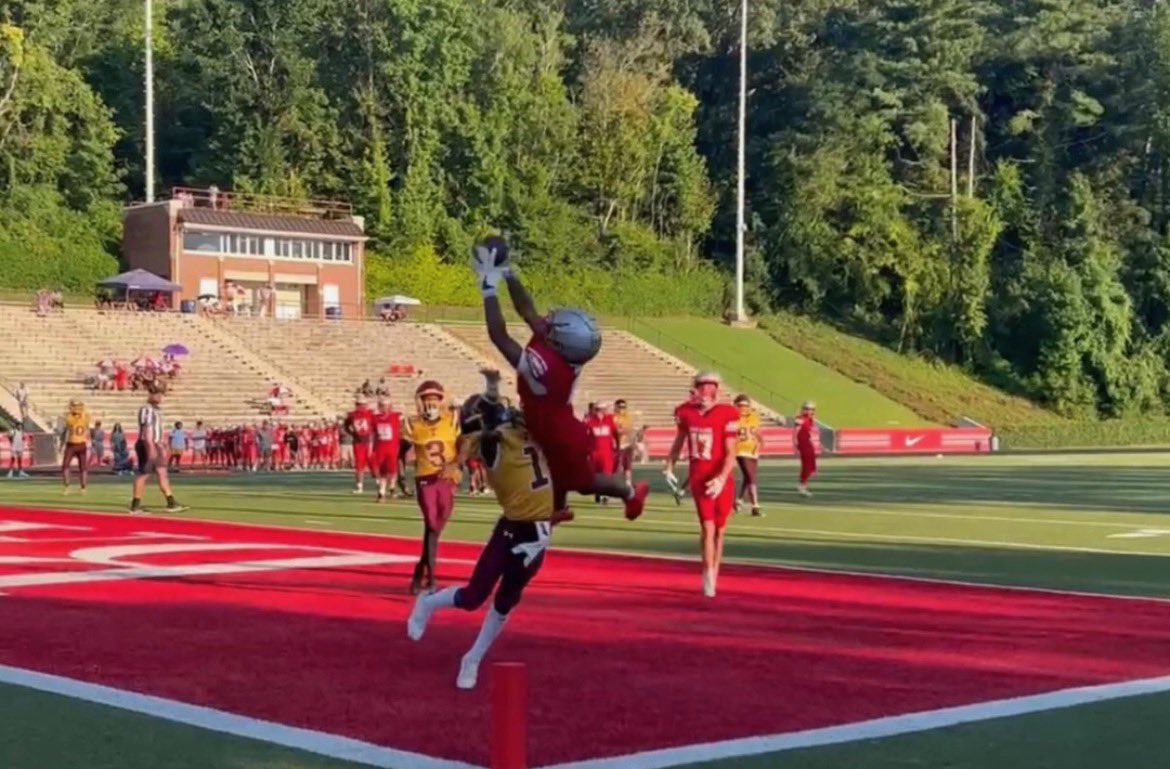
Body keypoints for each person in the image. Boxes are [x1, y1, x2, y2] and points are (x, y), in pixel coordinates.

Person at [471, 235, 648, 518]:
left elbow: (498, 335)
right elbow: (527, 310)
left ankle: (630, 492)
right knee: (552, 474)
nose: (549, 319)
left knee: (585, 483)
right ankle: (557, 508)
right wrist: (507, 273)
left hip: (559, 433)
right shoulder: (560, 347)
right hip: (550, 423)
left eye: (555, 323)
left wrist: (488, 288)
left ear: (562, 340)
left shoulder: (549, 368)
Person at [407, 395, 567, 690]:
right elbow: (474, 441)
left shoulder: (523, 432)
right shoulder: (492, 443)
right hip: (511, 531)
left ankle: (473, 659)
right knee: (473, 597)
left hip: (539, 534)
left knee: (506, 602)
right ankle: (427, 603)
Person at [664, 372, 738, 598]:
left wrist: (723, 477)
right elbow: (679, 441)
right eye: (701, 387)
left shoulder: (727, 413)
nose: (705, 392)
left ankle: (714, 570)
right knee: (707, 527)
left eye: (709, 387)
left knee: (720, 531)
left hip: (720, 477)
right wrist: (669, 465)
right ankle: (707, 577)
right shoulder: (685, 412)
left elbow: (731, 452)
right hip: (698, 476)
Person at [403, 380, 461, 595]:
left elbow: (464, 443)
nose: (430, 405)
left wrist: (457, 464)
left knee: (434, 530)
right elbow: (403, 450)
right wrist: (403, 470)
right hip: (425, 478)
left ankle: (420, 570)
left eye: (434, 400)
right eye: (426, 401)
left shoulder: (452, 421)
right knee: (432, 525)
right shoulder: (412, 425)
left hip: (446, 480)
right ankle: (432, 578)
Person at [130, 389, 186, 514]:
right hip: (148, 444)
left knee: (162, 472)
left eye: (160, 394)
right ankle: (135, 506)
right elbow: (146, 431)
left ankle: (171, 502)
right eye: (156, 394)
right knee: (143, 474)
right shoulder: (147, 410)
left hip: (155, 444)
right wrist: (151, 448)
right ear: (149, 395)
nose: (159, 397)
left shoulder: (154, 410)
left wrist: (160, 444)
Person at [734, 395, 764, 517]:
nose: (743, 408)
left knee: (748, 477)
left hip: (752, 450)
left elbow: (756, 432)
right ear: (736, 406)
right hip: (740, 450)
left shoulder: (753, 418)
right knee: (751, 477)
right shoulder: (733, 418)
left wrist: (760, 442)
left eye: (746, 405)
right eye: (741, 405)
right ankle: (755, 505)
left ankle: (739, 500)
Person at [583, 402, 617, 505]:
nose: (598, 412)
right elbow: (583, 434)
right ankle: (598, 493)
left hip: (606, 452)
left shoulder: (610, 420)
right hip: (594, 453)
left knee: (607, 474)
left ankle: (605, 495)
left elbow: (616, 434)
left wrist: (617, 448)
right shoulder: (589, 421)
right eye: (596, 409)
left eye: (600, 409)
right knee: (596, 475)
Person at [371, 397, 402, 503]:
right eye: (382, 406)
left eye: (387, 406)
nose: (385, 408)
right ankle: (381, 492)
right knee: (382, 472)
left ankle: (392, 488)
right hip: (380, 448)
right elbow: (372, 433)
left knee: (392, 471)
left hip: (392, 447)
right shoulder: (375, 418)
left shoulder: (395, 416)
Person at [345, 397, 374, 493]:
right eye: (358, 404)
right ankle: (359, 486)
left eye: (362, 404)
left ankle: (380, 485)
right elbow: (346, 425)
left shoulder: (371, 413)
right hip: (358, 442)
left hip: (369, 441)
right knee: (359, 466)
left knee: (373, 464)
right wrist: (352, 433)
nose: (360, 406)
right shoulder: (352, 415)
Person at [61, 399, 90, 493]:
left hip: (72, 444)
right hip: (81, 443)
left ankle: (67, 486)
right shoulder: (85, 416)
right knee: (83, 467)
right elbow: (84, 415)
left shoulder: (70, 417)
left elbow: (69, 421)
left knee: (66, 466)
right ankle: (83, 487)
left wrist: (72, 408)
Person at [795, 400, 817, 496]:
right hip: (802, 443)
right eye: (807, 409)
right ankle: (802, 484)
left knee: (811, 464)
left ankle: (803, 481)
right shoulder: (800, 418)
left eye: (811, 409)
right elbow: (795, 432)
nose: (809, 411)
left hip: (808, 442)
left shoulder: (810, 419)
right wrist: (795, 444)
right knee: (806, 465)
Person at [613, 399, 635, 486]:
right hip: (616, 445)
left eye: (624, 407)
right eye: (620, 407)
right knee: (616, 466)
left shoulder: (627, 417)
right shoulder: (612, 417)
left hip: (626, 445)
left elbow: (627, 430)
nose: (623, 409)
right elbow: (616, 431)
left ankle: (628, 484)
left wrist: (620, 429)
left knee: (627, 466)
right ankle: (614, 484)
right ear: (616, 407)